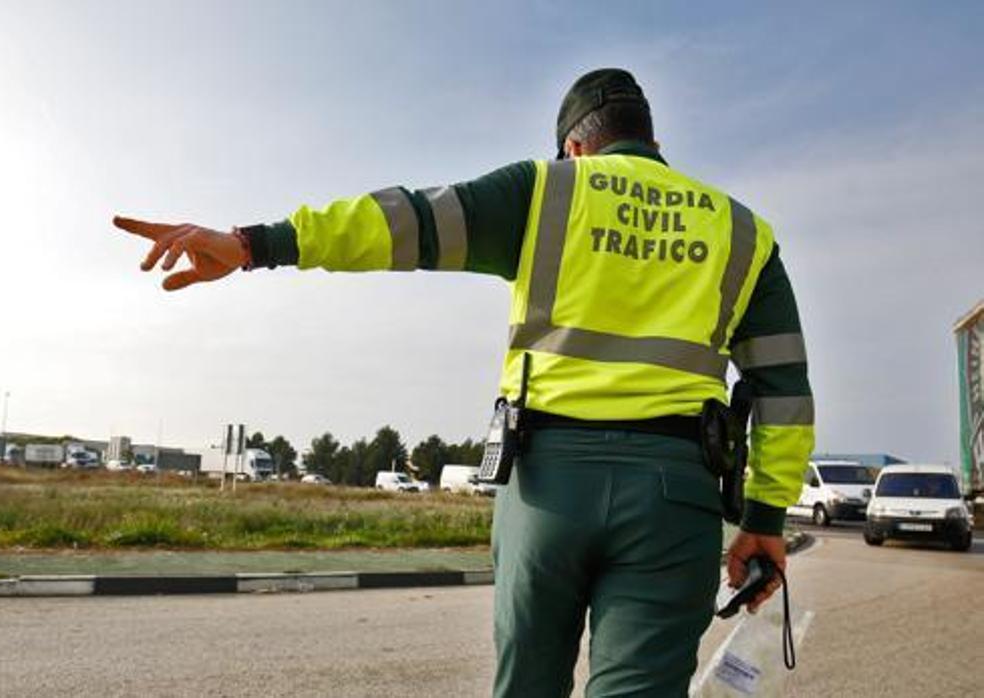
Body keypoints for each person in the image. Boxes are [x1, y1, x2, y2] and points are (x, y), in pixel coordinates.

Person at [113, 68, 813, 697]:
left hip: (546, 487)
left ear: (574, 146)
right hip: (674, 496)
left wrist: (253, 244)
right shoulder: (742, 233)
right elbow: (782, 390)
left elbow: (401, 222)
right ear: (650, 140)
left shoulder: (545, 192)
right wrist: (765, 520)